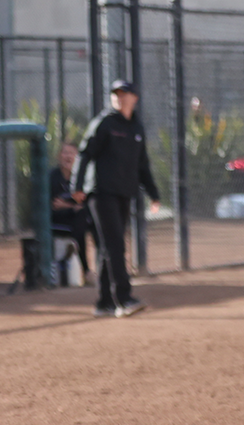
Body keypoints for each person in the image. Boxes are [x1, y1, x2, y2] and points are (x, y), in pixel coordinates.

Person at [72, 79, 162, 318]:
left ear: (135, 98)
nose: (119, 97)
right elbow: (84, 153)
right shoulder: (104, 124)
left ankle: (104, 302)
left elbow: (142, 165)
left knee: (107, 248)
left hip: (123, 193)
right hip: (101, 194)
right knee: (115, 245)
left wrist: (153, 193)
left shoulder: (136, 128)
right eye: (116, 94)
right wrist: (77, 186)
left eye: (124, 94)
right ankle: (124, 298)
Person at [50, 141, 89, 285]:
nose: (68, 156)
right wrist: (72, 205)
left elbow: (84, 202)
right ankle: (86, 270)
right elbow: (54, 205)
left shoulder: (81, 176)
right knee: (80, 219)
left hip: (77, 217)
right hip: (57, 218)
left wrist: (67, 205)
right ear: (59, 156)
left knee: (83, 218)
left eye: (71, 153)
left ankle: (98, 271)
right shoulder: (52, 176)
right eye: (64, 153)